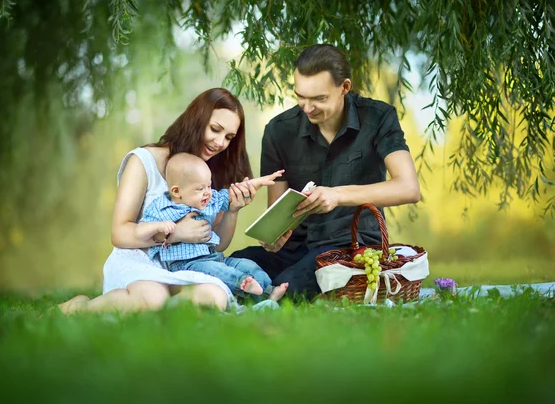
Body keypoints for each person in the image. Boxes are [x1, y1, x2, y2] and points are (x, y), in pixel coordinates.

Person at [231, 44, 421, 300]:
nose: (307, 107)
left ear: (344, 87)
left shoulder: (378, 118)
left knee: (288, 287)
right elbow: (277, 212)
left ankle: (266, 296)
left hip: (352, 247)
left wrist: (337, 195)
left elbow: (408, 188)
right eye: (300, 96)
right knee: (233, 266)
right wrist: (273, 237)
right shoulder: (279, 131)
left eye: (319, 99)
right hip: (294, 247)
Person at [58, 88, 261, 314]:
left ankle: (159, 310)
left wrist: (233, 211)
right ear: (197, 119)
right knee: (154, 298)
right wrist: (176, 234)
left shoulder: (211, 173)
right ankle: (78, 308)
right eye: (215, 129)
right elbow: (119, 234)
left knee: (214, 297)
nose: (220, 142)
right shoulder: (144, 161)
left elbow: (214, 244)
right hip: (139, 261)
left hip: (184, 267)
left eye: (229, 137)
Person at [139, 152, 289, 300]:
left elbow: (235, 192)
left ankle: (268, 292)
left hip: (215, 257)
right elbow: (142, 230)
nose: (208, 193)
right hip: (188, 265)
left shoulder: (208, 201)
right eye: (200, 189)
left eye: (209, 186)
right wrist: (162, 227)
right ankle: (241, 283)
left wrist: (261, 181)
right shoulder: (162, 208)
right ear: (177, 191)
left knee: (247, 264)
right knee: (218, 271)